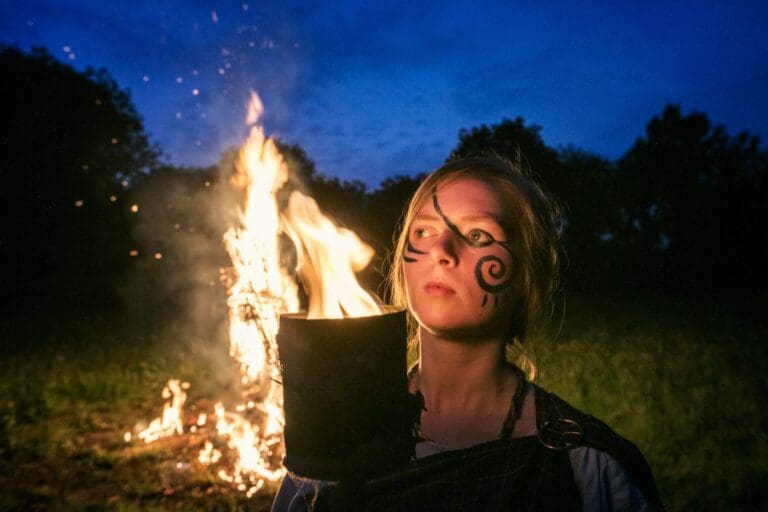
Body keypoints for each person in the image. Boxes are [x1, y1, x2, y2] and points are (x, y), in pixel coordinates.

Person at [272, 155, 664, 511]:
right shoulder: (335, 439)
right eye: (424, 232)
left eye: (478, 235)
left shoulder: (584, 464)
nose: (441, 250)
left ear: (526, 276)